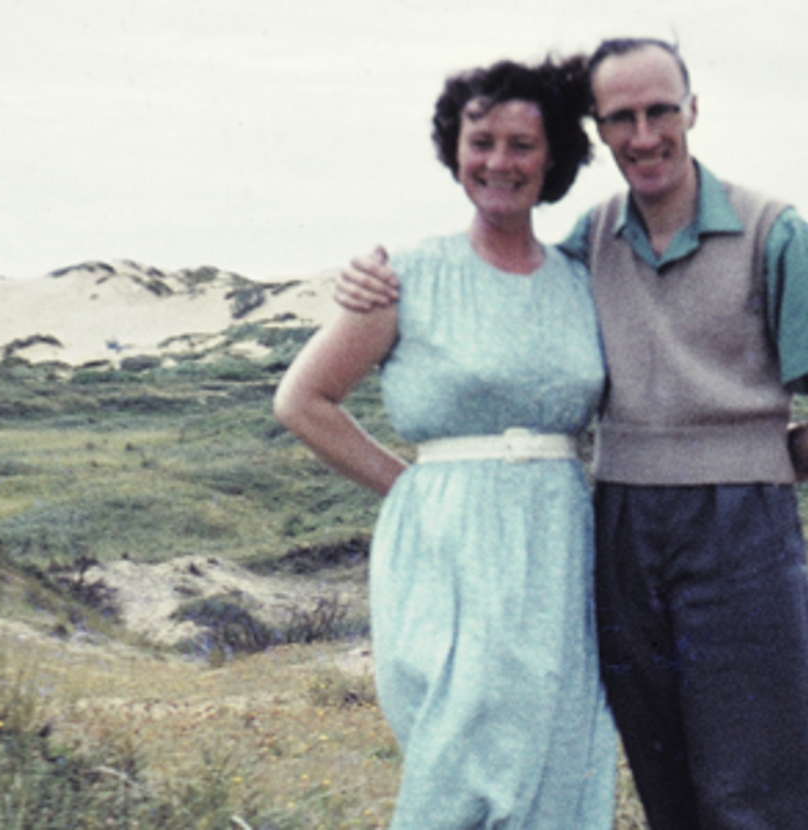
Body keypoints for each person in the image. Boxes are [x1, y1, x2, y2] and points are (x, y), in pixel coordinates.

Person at [336, 38, 808, 830]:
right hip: (620, 531)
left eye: (661, 110)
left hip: (738, 529)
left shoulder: (774, 231)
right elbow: (505, 292)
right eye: (620, 117)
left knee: (762, 789)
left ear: (693, 110)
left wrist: (752, 471)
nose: (644, 134)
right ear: (597, 130)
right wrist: (371, 275)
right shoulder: (588, 243)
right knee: (667, 782)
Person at [274, 56, 616, 829]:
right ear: (453, 150)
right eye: (481, 140)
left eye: (522, 144)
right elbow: (303, 400)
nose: (499, 162)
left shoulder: (581, 280)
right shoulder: (406, 276)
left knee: (560, 747)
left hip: (561, 547)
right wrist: (411, 486)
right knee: (465, 752)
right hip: (449, 547)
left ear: (554, 155)